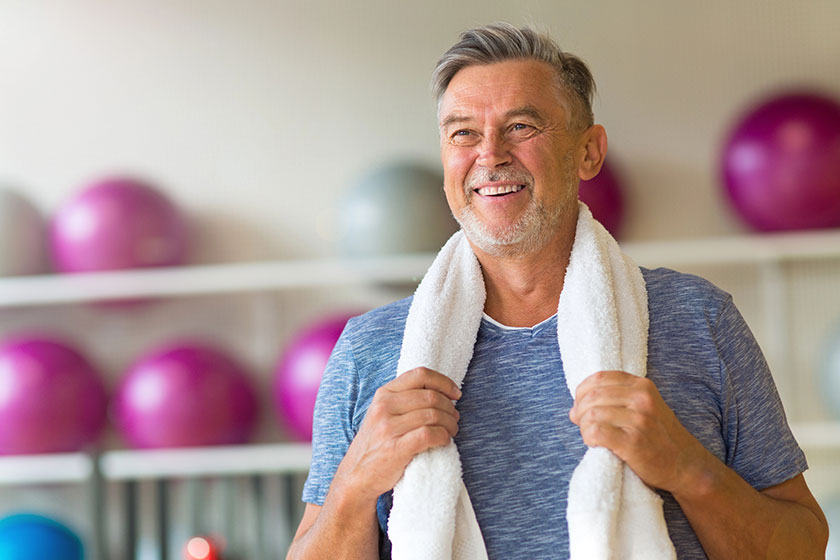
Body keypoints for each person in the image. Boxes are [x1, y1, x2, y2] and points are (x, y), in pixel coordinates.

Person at [287, 23, 828, 559]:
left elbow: (802, 548)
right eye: (463, 133)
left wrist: (687, 468)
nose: (489, 154)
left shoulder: (699, 319)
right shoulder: (368, 351)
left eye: (521, 126)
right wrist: (355, 485)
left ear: (589, 152)